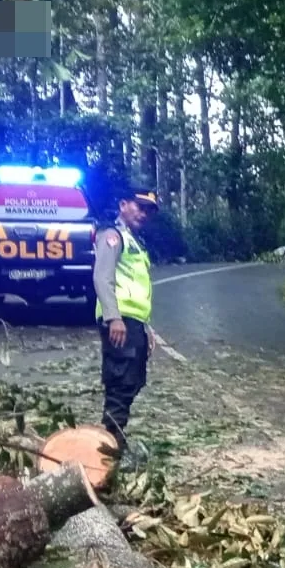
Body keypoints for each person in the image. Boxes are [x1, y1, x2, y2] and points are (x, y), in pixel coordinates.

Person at [92, 188, 159, 471]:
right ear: (123, 205)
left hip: (133, 323)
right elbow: (102, 277)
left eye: (148, 211)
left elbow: (135, 289)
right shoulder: (113, 237)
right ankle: (108, 451)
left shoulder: (134, 242)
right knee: (120, 384)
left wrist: (146, 328)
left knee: (132, 381)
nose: (143, 214)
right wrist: (113, 318)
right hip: (119, 322)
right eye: (139, 207)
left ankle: (113, 442)